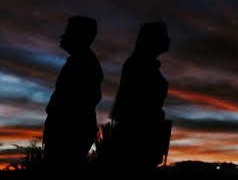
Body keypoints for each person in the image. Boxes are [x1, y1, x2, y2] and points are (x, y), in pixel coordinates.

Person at [43, 16, 104, 172]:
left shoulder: (84, 64)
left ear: (80, 36)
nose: (62, 36)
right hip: (67, 132)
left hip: (68, 135)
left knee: (64, 175)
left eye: (68, 32)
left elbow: (83, 102)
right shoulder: (80, 62)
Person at [109, 21, 171, 170]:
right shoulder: (139, 65)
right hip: (137, 138)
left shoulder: (143, 64)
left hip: (143, 136)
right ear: (153, 39)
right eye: (165, 36)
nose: (169, 40)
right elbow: (135, 105)